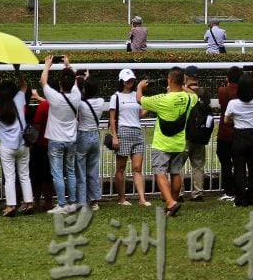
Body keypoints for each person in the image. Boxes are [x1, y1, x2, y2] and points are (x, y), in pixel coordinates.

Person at [138, 67, 197, 217]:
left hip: (162, 143)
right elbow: (194, 94)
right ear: (182, 81)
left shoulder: (163, 99)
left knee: (160, 172)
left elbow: (140, 100)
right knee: (175, 173)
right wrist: (181, 86)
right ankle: (172, 205)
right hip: (178, 143)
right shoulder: (189, 98)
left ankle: (170, 203)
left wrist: (139, 87)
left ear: (169, 80)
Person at [39, 56, 81, 214]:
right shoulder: (76, 95)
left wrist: (47, 65)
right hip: (71, 140)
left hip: (56, 140)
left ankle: (62, 204)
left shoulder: (54, 97)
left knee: (57, 173)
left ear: (60, 84)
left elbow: (43, 81)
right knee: (70, 171)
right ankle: (72, 202)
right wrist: (68, 65)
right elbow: (76, 77)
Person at [0, 72, 34, 217]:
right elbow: (24, 86)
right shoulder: (19, 99)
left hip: (6, 147)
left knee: (9, 177)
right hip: (23, 144)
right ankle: (28, 203)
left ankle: (11, 206)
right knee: (25, 175)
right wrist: (18, 72)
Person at [223, 68, 253, 207]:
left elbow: (226, 120)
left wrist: (234, 121)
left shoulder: (233, 103)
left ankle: (240, 198)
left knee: (239, 169)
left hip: (239, 136)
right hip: (252, 136)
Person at [110, 68, 150, 207]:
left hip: (137, 132)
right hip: (123, 131)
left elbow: (139, 114)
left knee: (137, 167)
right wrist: (115, 136)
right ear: (121, 81)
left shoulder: (136, 95)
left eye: (132, 80)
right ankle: (121, 198)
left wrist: (150, 105)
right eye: (127, 80)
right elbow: (113, 119)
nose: (130, 82)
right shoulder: (116, 97)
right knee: (121, 167)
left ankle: (142, 198)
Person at [75, 74, 107, 212]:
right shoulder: (100, 101)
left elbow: (77, 95)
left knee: (80, 170)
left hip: (83, 135)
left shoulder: (81, 104)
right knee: (93, 169)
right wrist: (88, 77)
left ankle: (82, 201)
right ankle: (95, 200)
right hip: (95, 135)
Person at [182, 65, 213, 202]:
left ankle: (178, 193)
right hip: (201, 134)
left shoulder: (182, 92)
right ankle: (197, 193)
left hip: (185, 133)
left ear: (186, 77)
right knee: (198, 165)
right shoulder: (204, 93)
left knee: (178, 164)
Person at [216, 66, 241, 202]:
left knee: (226, 164)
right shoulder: (246, 92)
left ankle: (229, 190)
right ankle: (239, 189)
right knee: (239, 163)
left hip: (225, 133)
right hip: (239, 133)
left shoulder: (223, 91)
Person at [29, 97, 53, 212]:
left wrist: (31, 142)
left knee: (37, 176)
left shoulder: (44, 106)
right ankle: (49, 202)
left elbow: (37, 126)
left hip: (41, 144)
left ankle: (37, 201)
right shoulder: (62, 103)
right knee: (49, 176)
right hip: (55, 143)